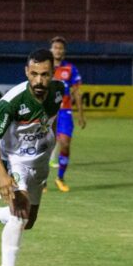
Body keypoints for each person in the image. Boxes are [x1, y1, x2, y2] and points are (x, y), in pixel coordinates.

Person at [0, 48, 66, 266]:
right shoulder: (12, 101)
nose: (39, 80)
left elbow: (51, 119)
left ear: (53, 73)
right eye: (34, 74)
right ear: (27, 72)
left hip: (39, 162)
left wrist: (50, 144)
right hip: (15, 161)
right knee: (20, 213)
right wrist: (1, 173)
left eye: (45, 74)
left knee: (28, 221)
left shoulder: (59, 91)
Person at [48, 36, 85, 192]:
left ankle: (60, 177)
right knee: (41, 146)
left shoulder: (70, 69)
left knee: (65, 143)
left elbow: (77, 93)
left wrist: (81, 115)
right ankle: (41, 180)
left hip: (64, 111)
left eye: (60, 48)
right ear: (51, 50)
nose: (58, 50)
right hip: (47, 111)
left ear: (64, 51)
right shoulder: (44, 67)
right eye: (55, 47)